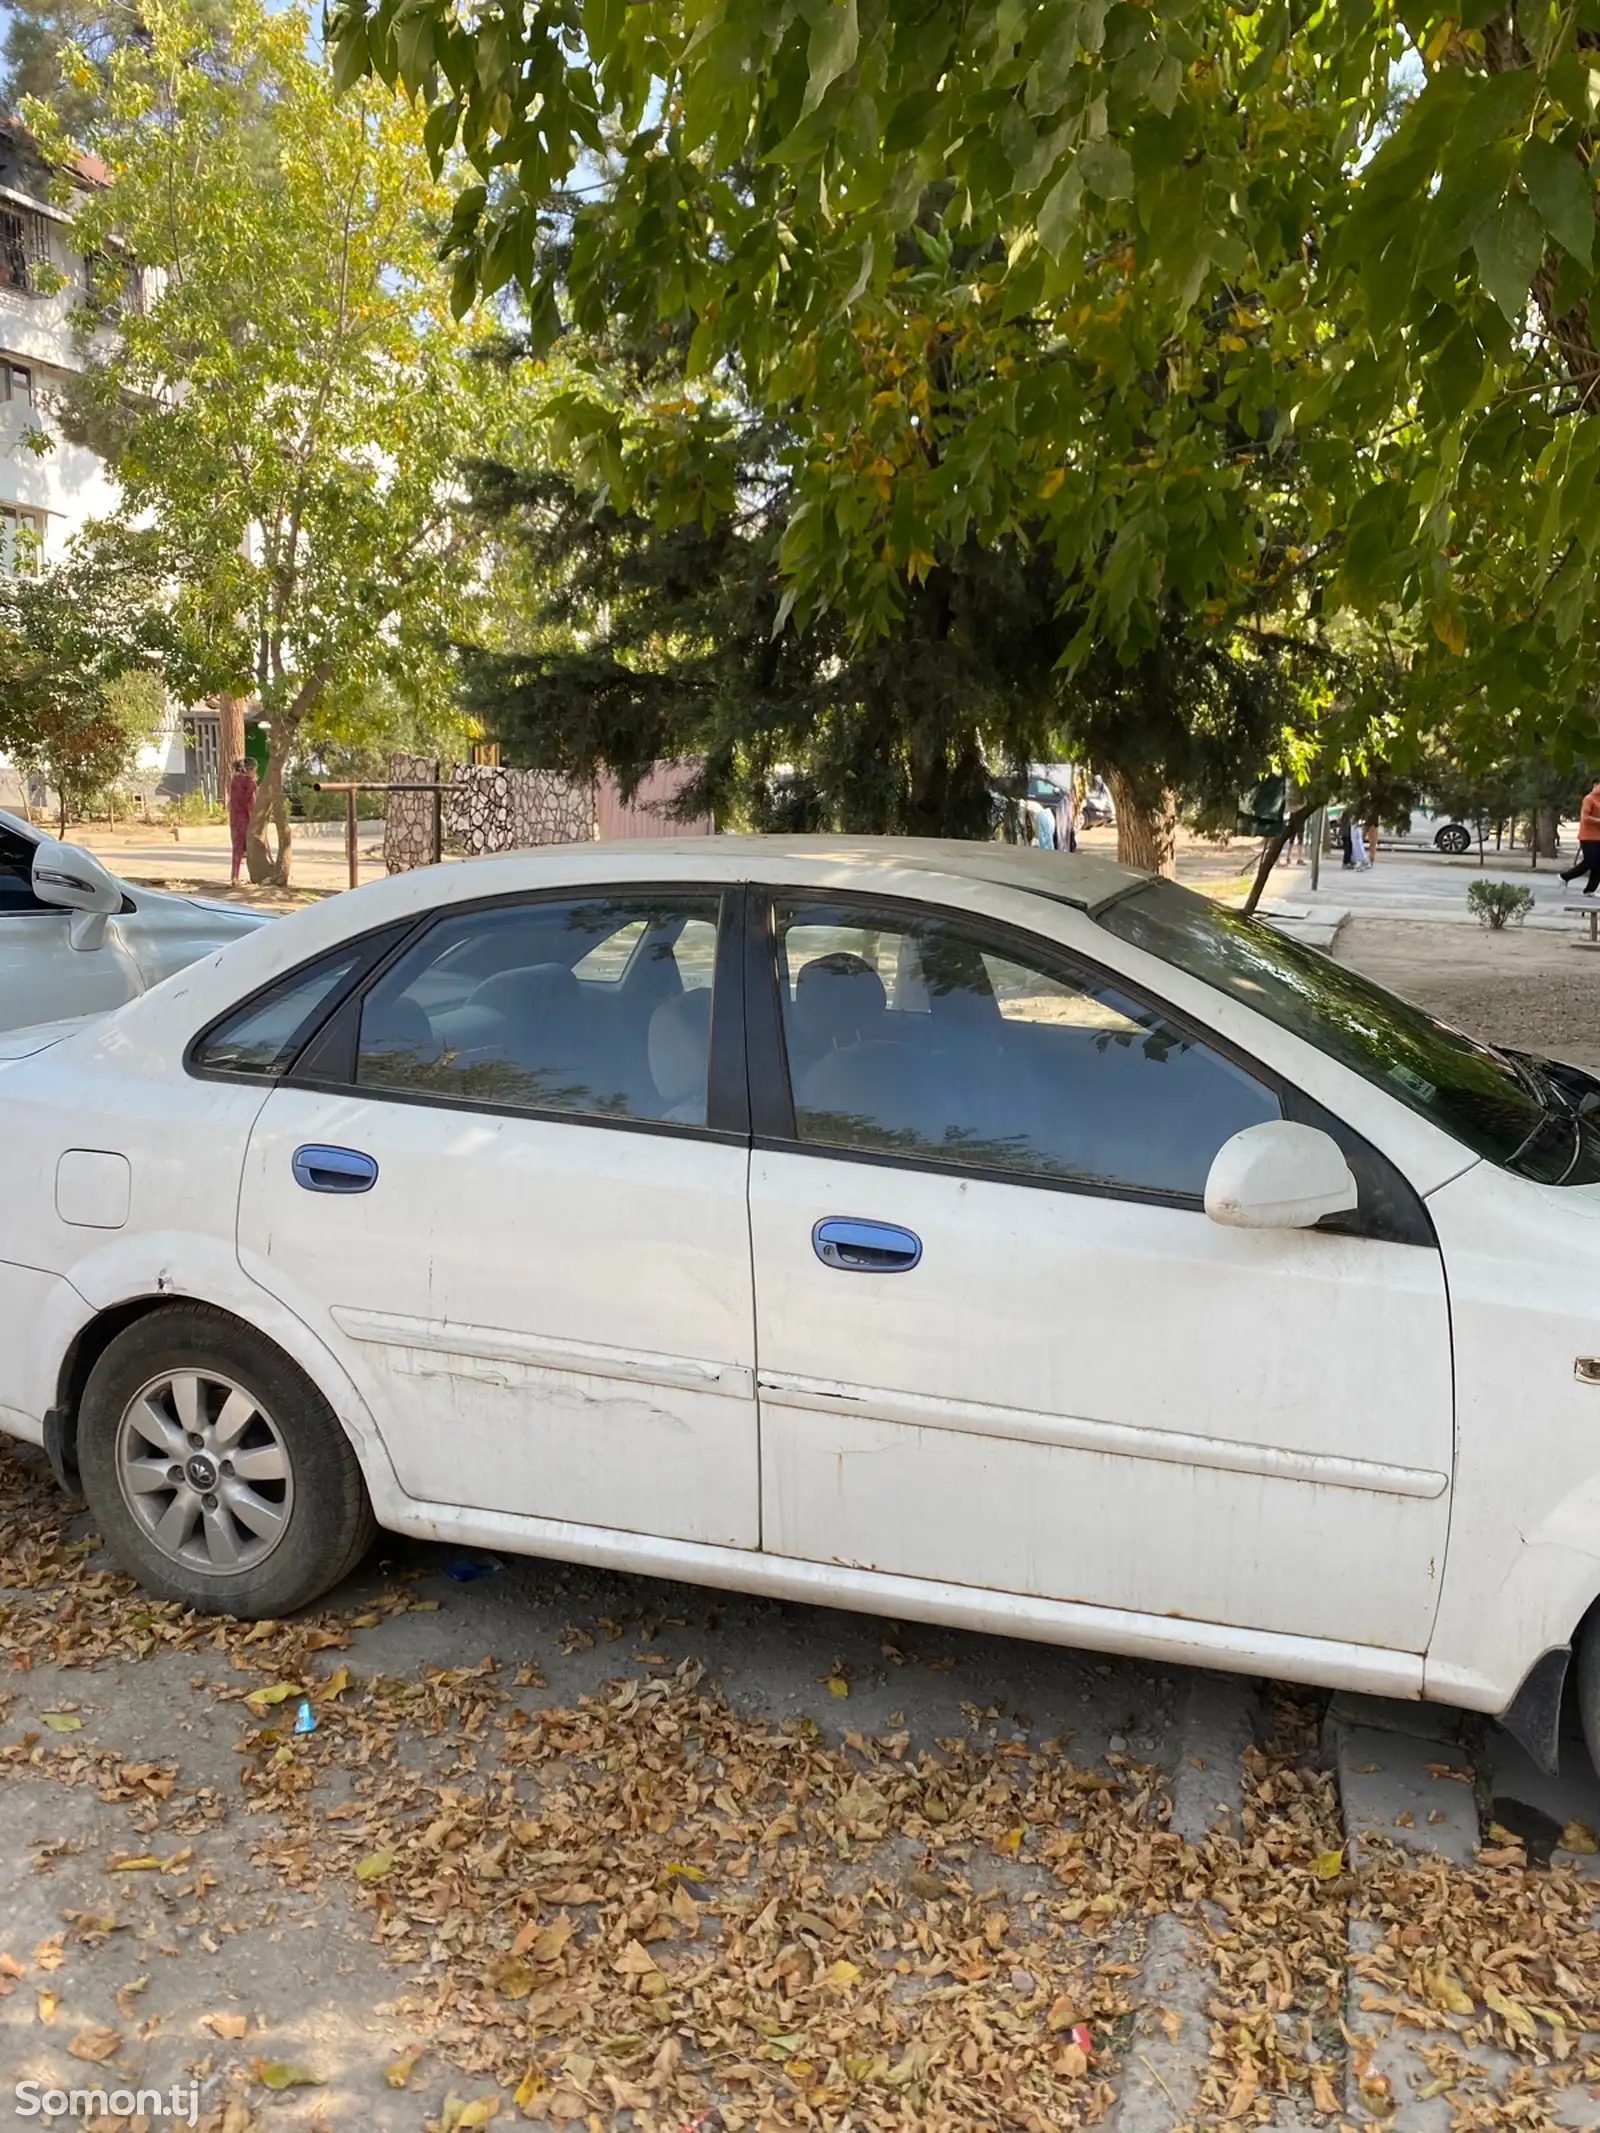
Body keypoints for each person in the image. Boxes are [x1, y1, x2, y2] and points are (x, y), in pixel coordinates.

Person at [1560, 777, 1600, 896]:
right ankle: (1564, 877)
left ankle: (1590, 890)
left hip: (1598, 837)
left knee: (1599, 864)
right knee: (1590, 862)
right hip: (1588, 836)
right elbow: (1585, 818)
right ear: (1595, 785)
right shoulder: (1589, 799)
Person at [227, 755, 256, 886]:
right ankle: (255, 876)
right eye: (254, 770)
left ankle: (234, 876)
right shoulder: (250, 782)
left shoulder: (233, 781)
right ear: (249, 769)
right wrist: (254, 819)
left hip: (234, 819)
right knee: (251, 847)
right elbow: (250, 802)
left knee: (237, 848)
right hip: (246, 818)